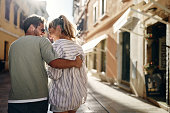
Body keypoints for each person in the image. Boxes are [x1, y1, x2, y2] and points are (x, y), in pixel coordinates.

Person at [8, 14, 83, 113]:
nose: (43, 33)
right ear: (32, 27)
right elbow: (55, 63)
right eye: (42, 30)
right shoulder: (42, 41)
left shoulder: (13, 45)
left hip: (15, 100)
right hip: (38, 98)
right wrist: (75, 63)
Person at [47, 15, 87, 113]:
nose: (49, 33)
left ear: (59, 28)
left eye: (50, 30)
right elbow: (83, 74)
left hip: (61, 96)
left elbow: (54, 74)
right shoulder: (78, 48)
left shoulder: (56, 46)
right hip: (76, 95)